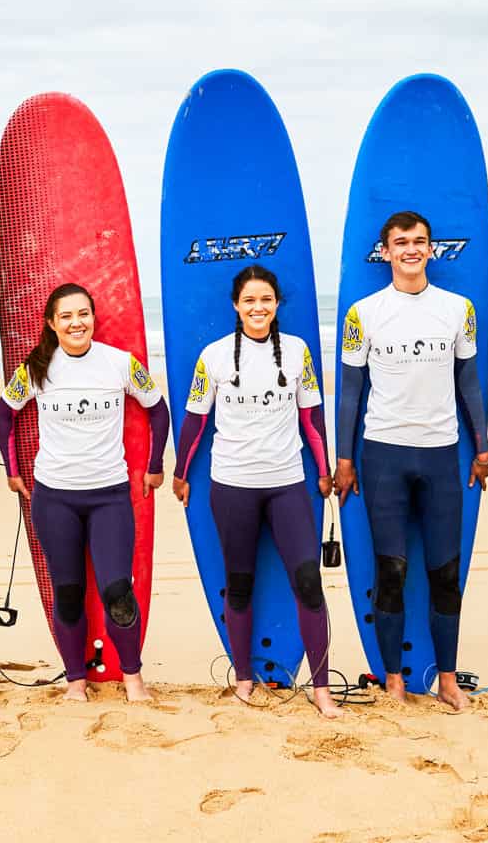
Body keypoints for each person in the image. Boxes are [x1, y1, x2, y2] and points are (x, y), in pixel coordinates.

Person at [334, 210, 488, 709]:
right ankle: (395, 681)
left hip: (442, 453)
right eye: (400, 242)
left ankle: (447, 679)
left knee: (445, 572)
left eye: (419, 241)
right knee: (392, 571)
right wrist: (344, 458)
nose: (410, 249)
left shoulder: (457, 309)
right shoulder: (363, 313)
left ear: (431, 248)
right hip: (383, 455)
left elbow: (469, 380)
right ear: (385, 252)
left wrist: (482, 445)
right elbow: (350, 393)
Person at [171, 265, 340, 718]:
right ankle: (244, 679)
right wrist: (180, 472)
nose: (258, 308)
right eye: (249, 301)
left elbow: (312, 418)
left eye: (265, 299)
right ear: (236, 306)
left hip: (287, 484)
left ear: (277, 303)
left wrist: (323, 471)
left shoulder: (299, 352)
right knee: (239, 585)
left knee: (308, 583)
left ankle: (321, 688)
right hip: (233, 486)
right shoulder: (215, 356)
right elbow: (195, 420)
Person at [0, 283, 170, 702]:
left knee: (117, 593)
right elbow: (4, 417)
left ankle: (133, 678)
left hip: (109, 495)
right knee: (68, 592)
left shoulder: (120, 364)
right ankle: (75, 681)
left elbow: (158, 410)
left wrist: (156, 465)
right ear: (52, 324)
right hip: (56, 498)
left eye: (83, 314)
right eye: (67, 316)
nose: (77, 323)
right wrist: (13, 470)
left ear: (93, 317)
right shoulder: (36, 368)